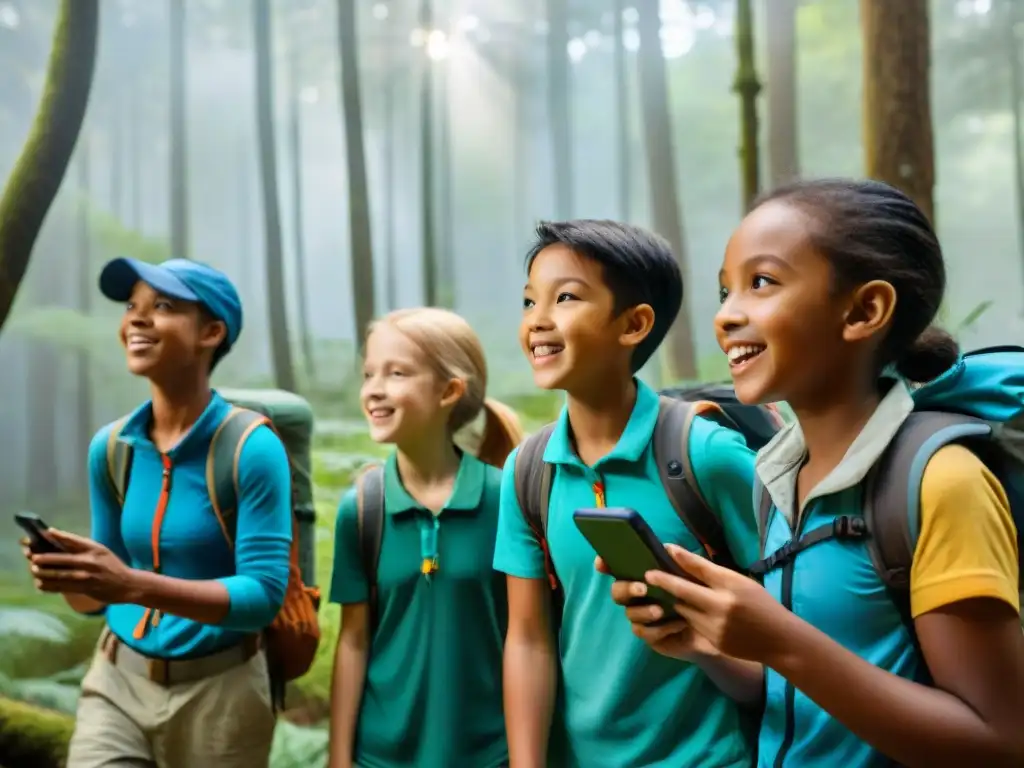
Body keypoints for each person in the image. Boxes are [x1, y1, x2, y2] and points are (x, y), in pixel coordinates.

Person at [611, 179, 1024, 766]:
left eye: (762, 283)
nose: (727, 316)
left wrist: (781, 639)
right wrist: (706, 644)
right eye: (726, 290)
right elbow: (802, 690)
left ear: (864, 310)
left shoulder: (939, 481)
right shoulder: (779, 475)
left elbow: (997, 743)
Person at [494, 220, 763, 768]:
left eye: (565, 297)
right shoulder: (527, 470)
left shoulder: (705, 454)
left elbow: (789, 617)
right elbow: (528, 639)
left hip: (707, 757)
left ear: (634, 324)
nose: (537, 321)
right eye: (529, 301)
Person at [24, 257, 293, 767]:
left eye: (163, 306)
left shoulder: (249, 447)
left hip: (222, 696)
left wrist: (130, 584)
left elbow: (262, 596)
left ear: (211, 332)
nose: (137, 320)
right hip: (117, 682)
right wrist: (73, 576)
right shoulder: (112, 447)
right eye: (132, 307)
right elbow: (98, 600)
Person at [327, 307, 524, 768]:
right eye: (369, 374)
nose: (374, 389)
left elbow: (530, 636)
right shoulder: (361, 510)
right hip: (380, 758)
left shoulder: (506, 501)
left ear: (449, 391)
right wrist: (338, 758)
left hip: (489, 756)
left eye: (396, 373)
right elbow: (353, 642)